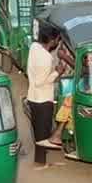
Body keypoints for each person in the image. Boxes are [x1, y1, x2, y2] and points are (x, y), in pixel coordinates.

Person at [25, 23, 67, 166]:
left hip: (32, 97)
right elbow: (40, 81)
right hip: (43, 100)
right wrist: (57, 72)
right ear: (52, 41)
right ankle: (41, 162)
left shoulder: (34, 47)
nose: (57, 43)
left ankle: (40, 158)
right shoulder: (46, 58)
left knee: (38, 130)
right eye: (57, 40)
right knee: (43, 133)